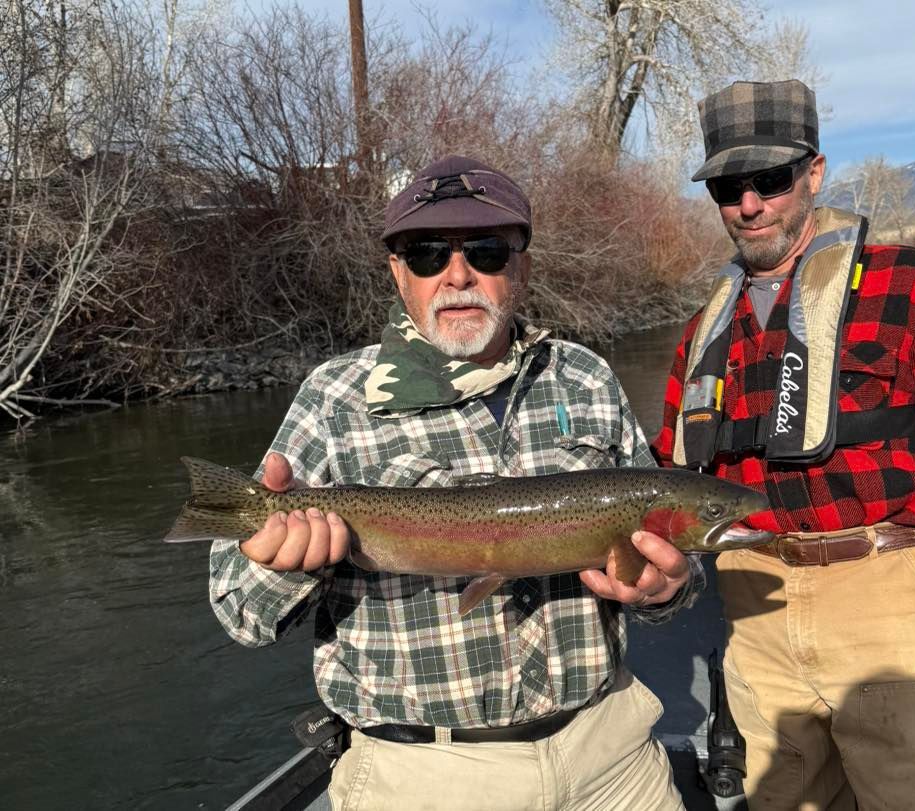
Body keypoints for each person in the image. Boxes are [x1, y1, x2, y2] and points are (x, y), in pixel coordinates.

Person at [209, 155, 705, 811]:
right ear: (397, 272)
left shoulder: (585, 378)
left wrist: (665, 588)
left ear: (521, 266)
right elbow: (237, 609)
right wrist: (279, 562)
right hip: (425, 779)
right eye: (426, 254)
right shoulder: (333, 399)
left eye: (487, 250)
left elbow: (666, 567)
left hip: (610, 758)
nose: (458, 272)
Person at [652, 79, 915, 808]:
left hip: (894, 601)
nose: (749, 205)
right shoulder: (698, 338)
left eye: (770, 179)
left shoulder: (912, 287)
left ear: (814, 173)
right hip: (755, 622)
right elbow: (667, 495)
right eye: (728, 185)